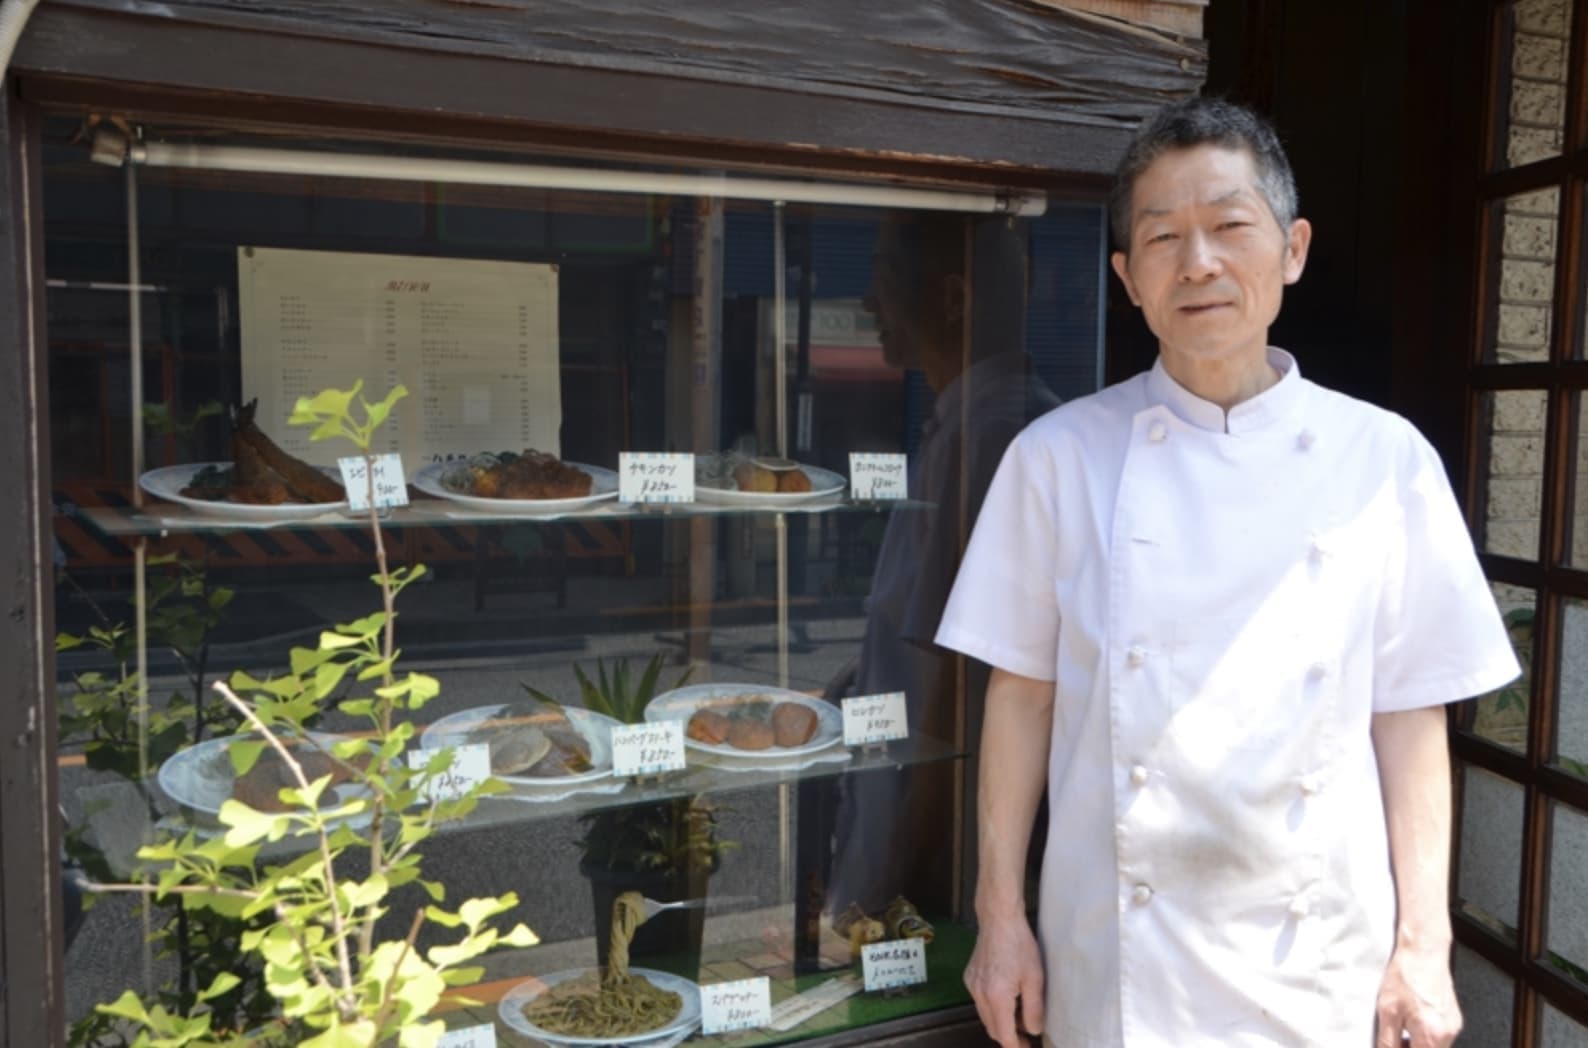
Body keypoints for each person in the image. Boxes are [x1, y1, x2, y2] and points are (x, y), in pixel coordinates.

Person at [934, 97, 1519, 1048]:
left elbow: (1410, 717)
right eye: (1162, 237)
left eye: (1229, 226)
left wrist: (1424, 945)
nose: (1197, 262)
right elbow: (1021, 697)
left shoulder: (1385, 458)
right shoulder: (1056, 458)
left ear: (1292, 249)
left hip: (1318, 966)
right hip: (1118, 968)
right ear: (1127, 277)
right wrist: (1000, 917)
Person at [823, 211, 1059, 924]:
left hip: (935, 844)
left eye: (885, 279)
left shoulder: (991, 436)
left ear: (954, 298)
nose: (869, 302)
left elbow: (961, 683)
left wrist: (898, 869)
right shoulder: (968, 423)